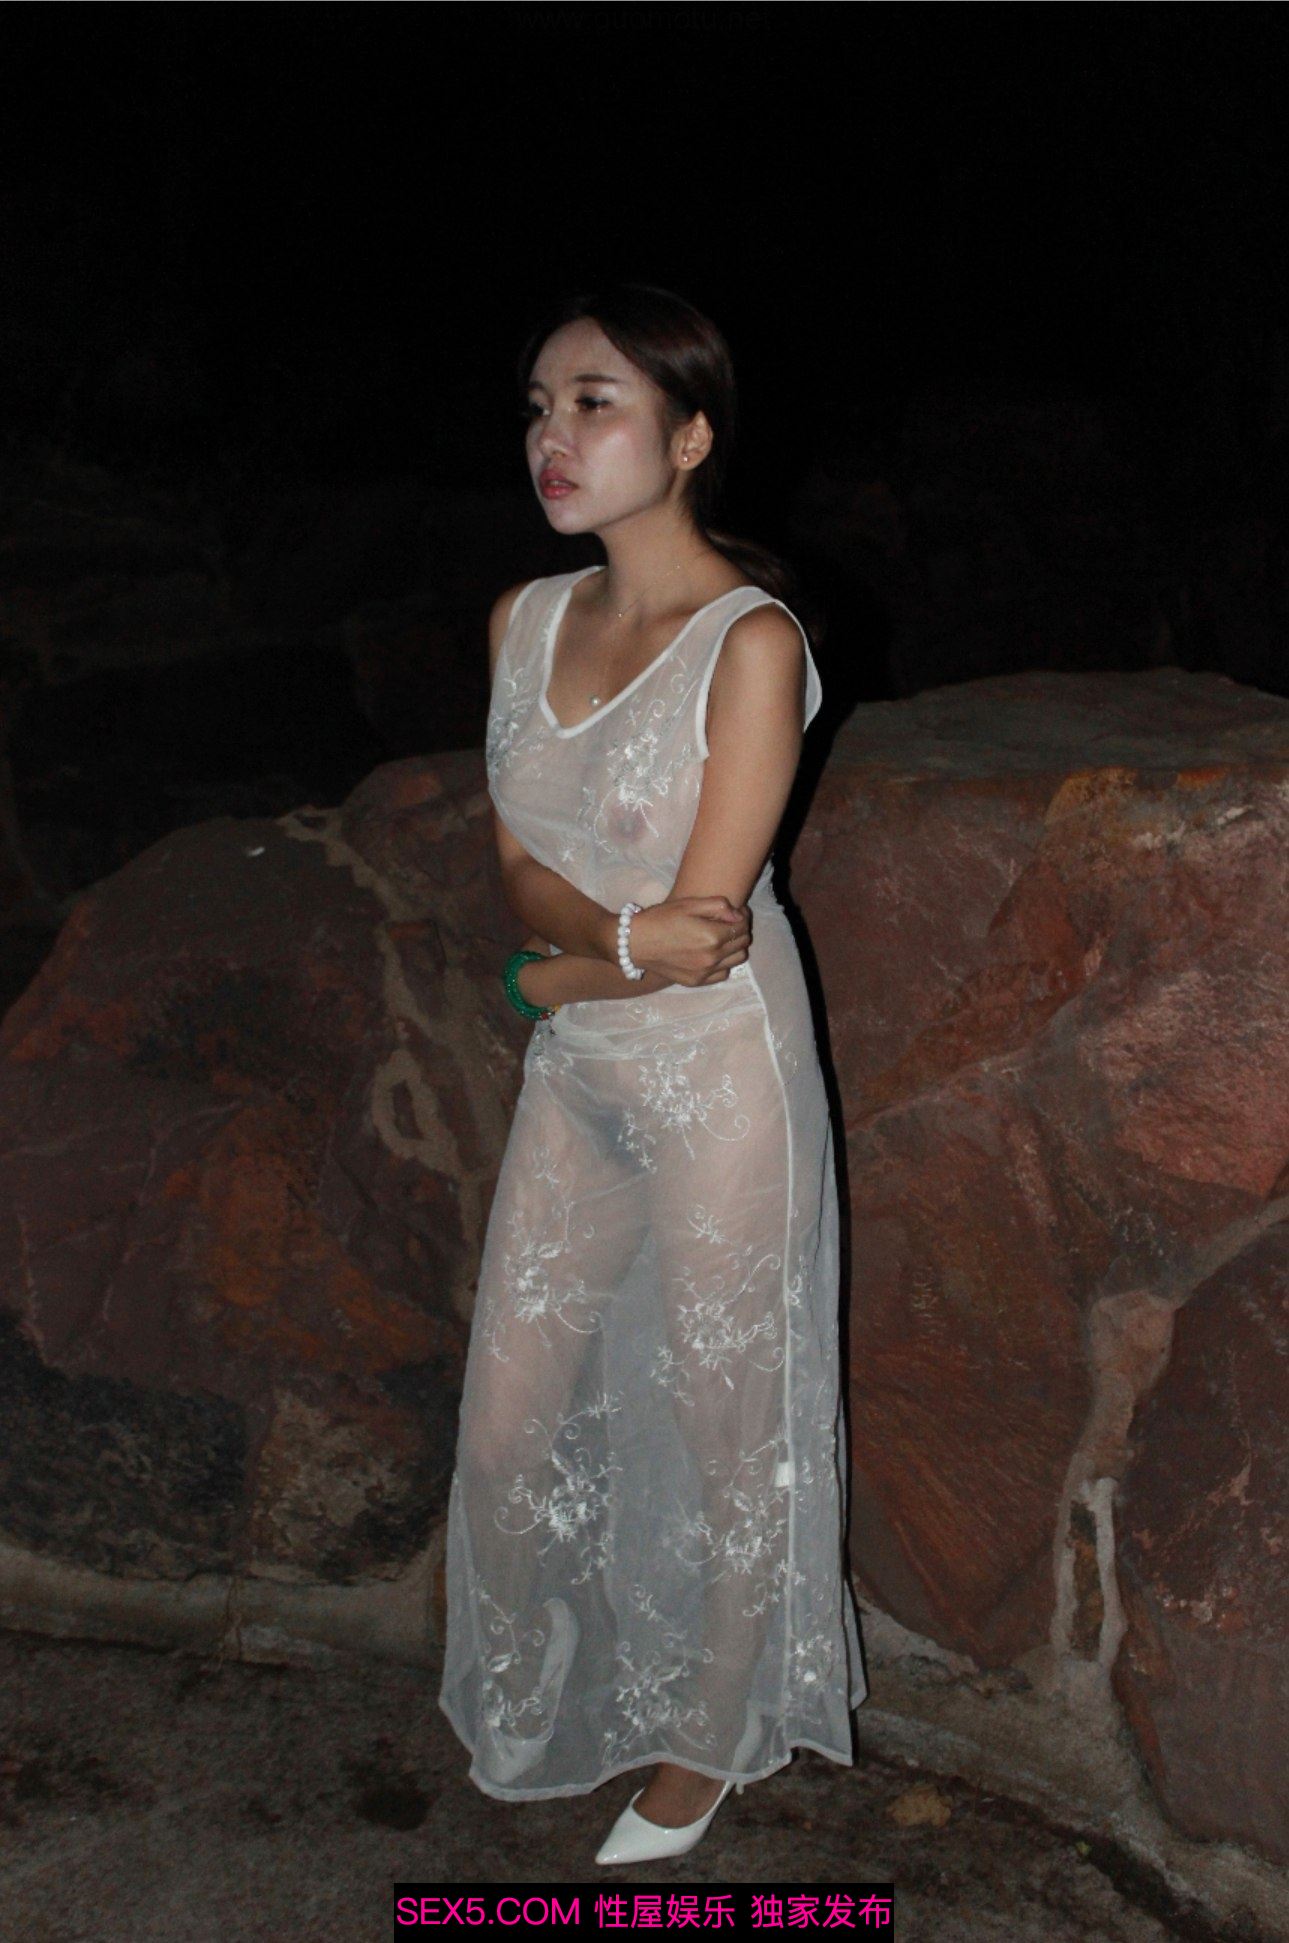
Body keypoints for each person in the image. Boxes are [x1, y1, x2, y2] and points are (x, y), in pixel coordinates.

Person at [437, 282, 867, 1865]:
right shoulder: (524, 619)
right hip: (583, 1066)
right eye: (538, 406)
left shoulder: (747, 644)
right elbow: (518, 870)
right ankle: (559, 1683)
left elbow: (703, 939)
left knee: (725, 1418)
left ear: (688, 438)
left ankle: (711, 1737)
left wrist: (554, 972)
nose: (551, 437)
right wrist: (578, 955)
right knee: (506, 1422)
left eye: (593, 403)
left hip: (713, 1074)